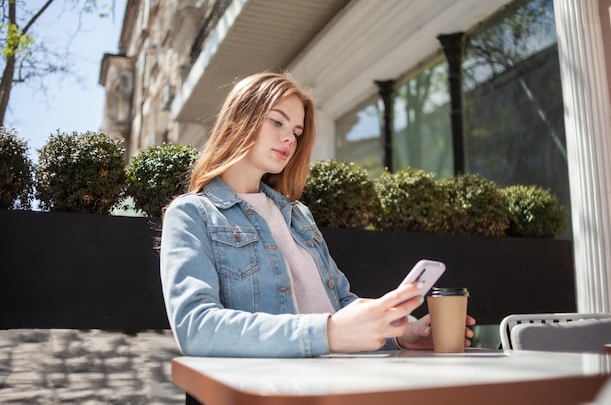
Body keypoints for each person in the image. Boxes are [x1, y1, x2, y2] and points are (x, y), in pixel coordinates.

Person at [159, 71, 475, 357]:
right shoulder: (191, 215)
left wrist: (406, 333)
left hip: (344, 378)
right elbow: (195, 328)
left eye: (296, 131)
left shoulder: (298, 216)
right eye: (277, 121)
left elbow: (341, 303)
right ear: (240, 118)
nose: (289, 139)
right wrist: (327, 333)